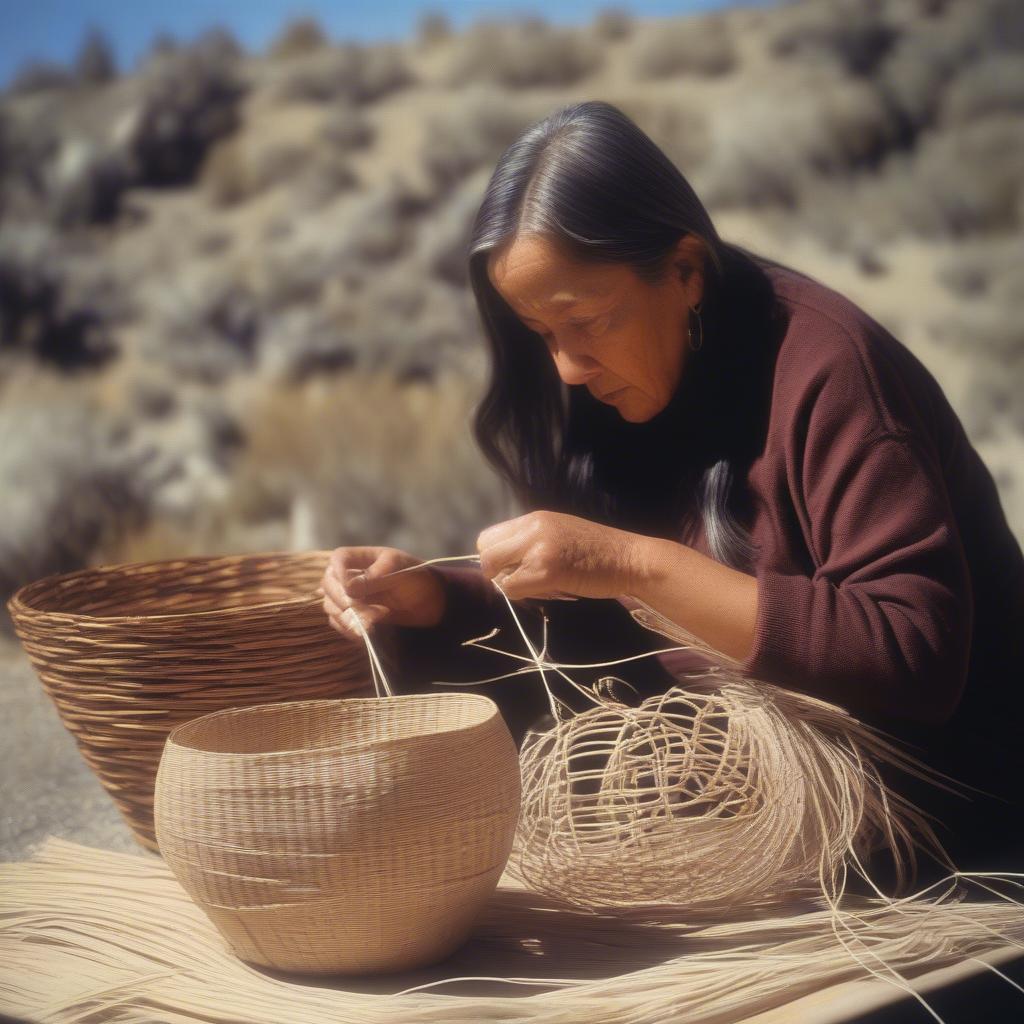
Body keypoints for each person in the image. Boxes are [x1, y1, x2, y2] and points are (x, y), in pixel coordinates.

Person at [319, 100, 1024, 879]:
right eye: (542, 334)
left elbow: (912, 655)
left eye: (584, 320)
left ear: (686, 272)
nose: (566, 366)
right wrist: (438, 600)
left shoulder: (831, 369)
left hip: (948, 834)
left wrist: (633, 565)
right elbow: (596, 630)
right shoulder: (615, 385)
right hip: (751, 806)